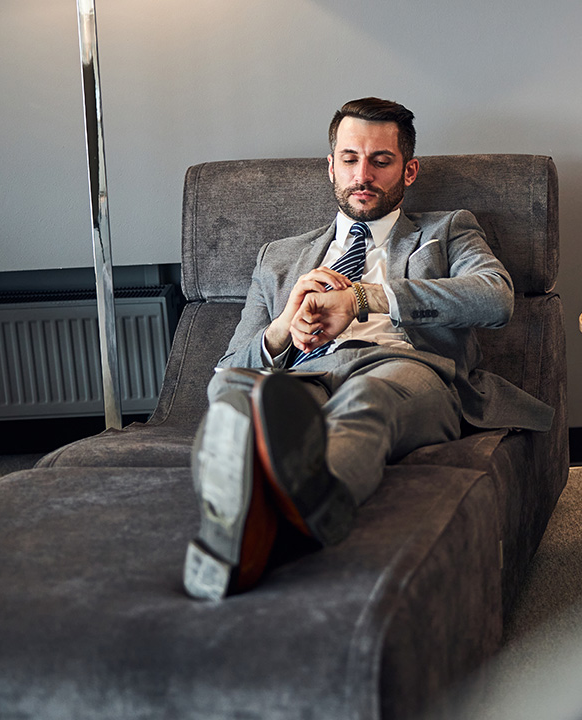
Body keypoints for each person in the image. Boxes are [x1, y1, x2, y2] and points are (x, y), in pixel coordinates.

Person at [183, 97, 553, 600]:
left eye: (381, 160)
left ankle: (278, 528)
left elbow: (495, 297)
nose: (364, 174)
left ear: (409, 169)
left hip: (405, 369)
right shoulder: (279, 257)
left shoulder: (446, 230)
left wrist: (362, 298)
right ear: (331, 166)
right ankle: (246, 526)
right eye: (351, 159)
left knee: (369, 399)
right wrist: (285, 326)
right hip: (302, 376)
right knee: (235, 398)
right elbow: (224, 373)